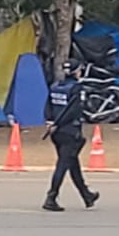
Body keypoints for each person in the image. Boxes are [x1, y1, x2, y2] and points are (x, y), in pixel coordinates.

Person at [43, 61, 100, 212]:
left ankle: (86, 194)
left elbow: (47, 106)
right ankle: (51, 197)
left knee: (72, 162)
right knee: (63, 164)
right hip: (69, 130)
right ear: (76, 72)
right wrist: (59, 123)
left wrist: (50, 121)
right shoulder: (76, 88)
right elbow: (74, 111)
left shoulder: (56, 86)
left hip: (56, 132)